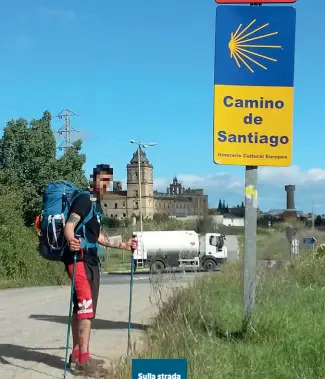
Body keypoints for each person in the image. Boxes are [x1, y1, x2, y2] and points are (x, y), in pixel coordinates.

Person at [62, 164, 137, 377]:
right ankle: (84, 361)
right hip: (79, 260)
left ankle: (77, 355)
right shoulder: (84, 199)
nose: (105, 185)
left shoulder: (96, 205)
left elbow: (98, 237)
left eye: (108, 181)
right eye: (102, 180)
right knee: (85, 309)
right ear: (94, 179)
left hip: (91, 260)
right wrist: (71, 240)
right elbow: (70, 225)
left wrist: (123, 245)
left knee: (82, 309)